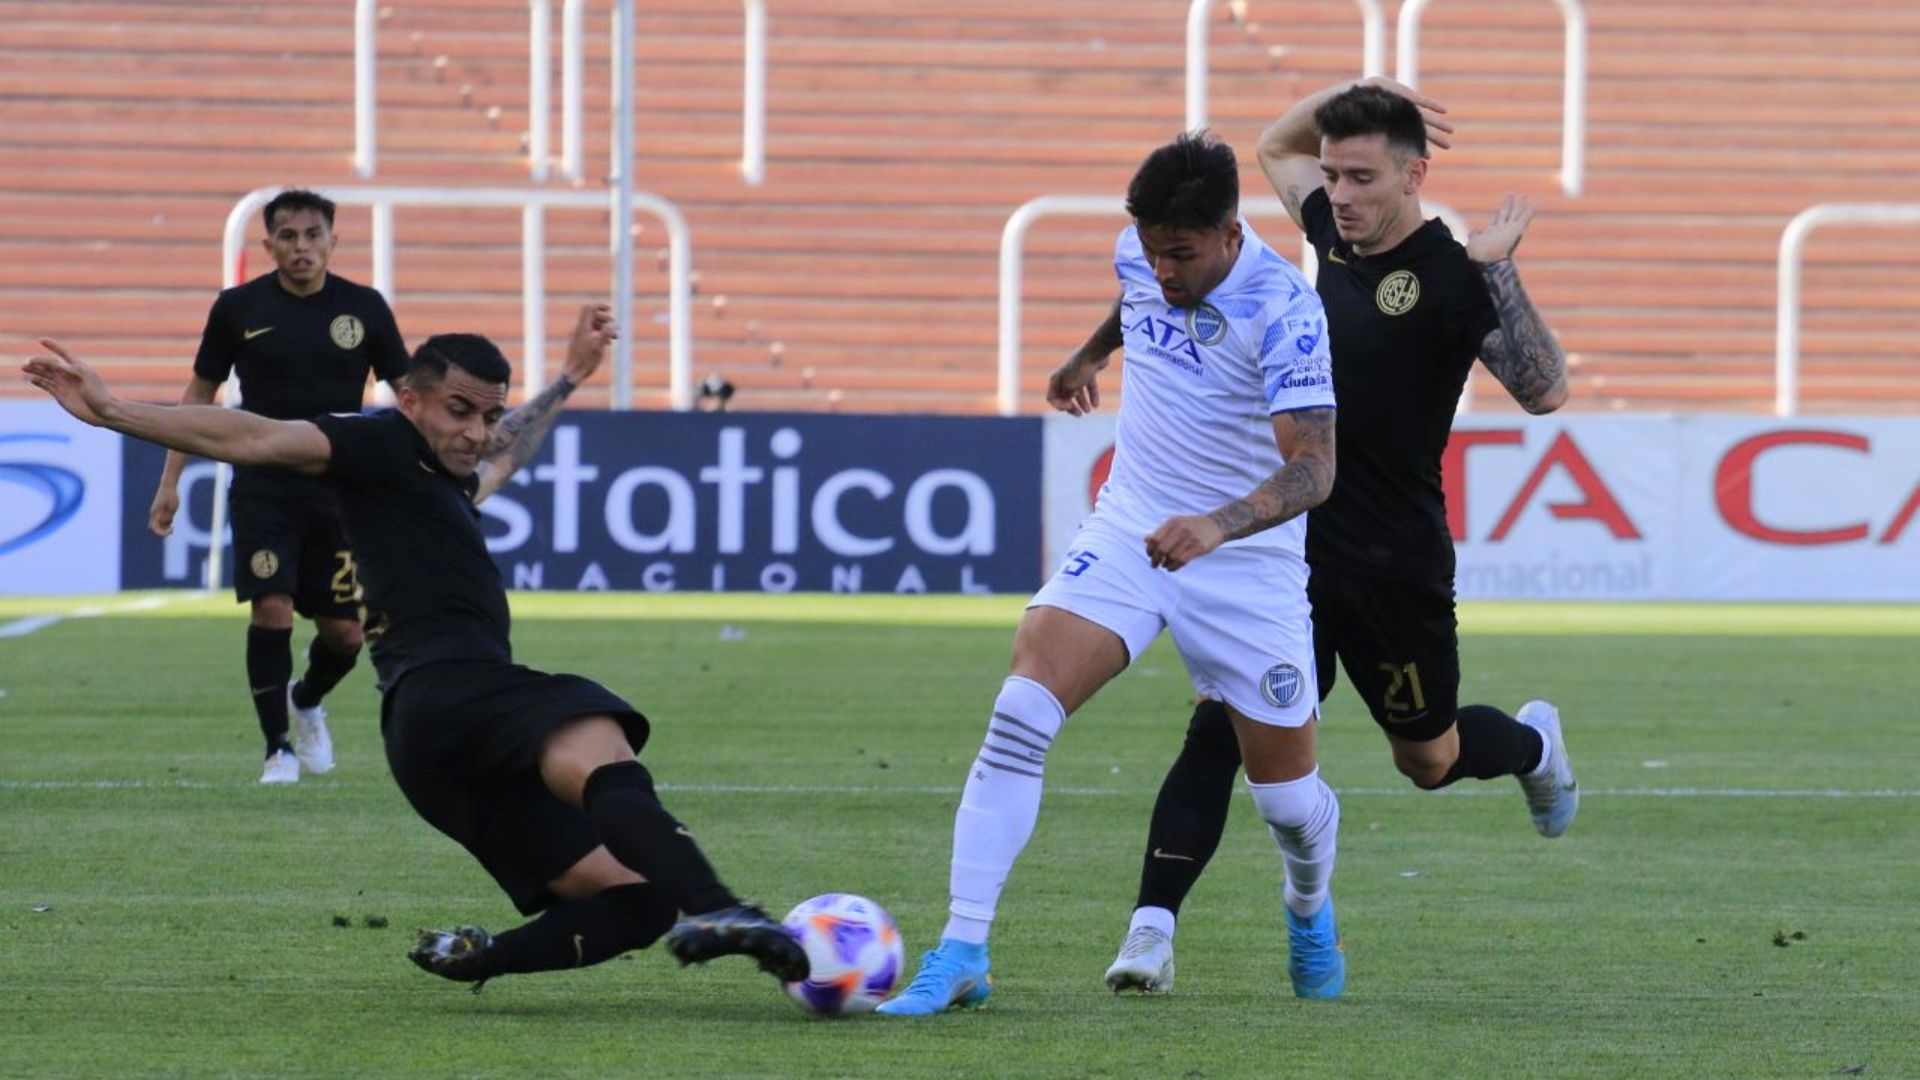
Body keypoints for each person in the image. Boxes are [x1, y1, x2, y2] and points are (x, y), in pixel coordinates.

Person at [23, 305, 808, 992]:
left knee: (637, 901)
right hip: (453, 691)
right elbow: (257, 435)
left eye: (485, 412)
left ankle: (480, 958)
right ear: (408, 399)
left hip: (430, 747)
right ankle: (721, 909)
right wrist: (115, 411)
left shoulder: (439, 476)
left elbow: (506, 452)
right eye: (458, 410)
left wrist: (570, 376)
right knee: (598, 737)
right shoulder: (377, 445)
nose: (474, 430)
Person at [1102, 79, 1577, 997]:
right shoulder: (1329, 232)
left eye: (1361, 178)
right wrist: (1355, 91)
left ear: (1413, 177)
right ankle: (1150, 934)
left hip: (1395, 564)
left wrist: (1498, 270)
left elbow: (1546, 390)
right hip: (1288, 548)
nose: (1341, 195)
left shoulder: (1451, 273)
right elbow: (1274, 144)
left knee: (1429, 760)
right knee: (1221, 731)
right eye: (1335, 176)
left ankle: (1533, 748)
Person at [875, 132, 1342, 1015]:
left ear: (1231, 232)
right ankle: (964, 946)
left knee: (1287, 802)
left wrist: (1217, 524)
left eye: (1183, 253)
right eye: (1154, 249)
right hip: (1132, 526)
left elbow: (1315, 470)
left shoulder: (1284, 308)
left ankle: (1309, 905)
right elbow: (1135, 300)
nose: (1163, 268)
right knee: (1020, 708)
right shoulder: (1139, 252)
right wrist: (1091, 355)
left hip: (1246, 563)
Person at [149, 188, 410, 784]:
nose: (301, 248)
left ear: (332, 241)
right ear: (268, 245)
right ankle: (277, 749)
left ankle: (307, 699)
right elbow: (198, 397)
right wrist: (171, 481)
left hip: (341, 489)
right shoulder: (237, 308)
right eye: (287, 237)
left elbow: (410, 393)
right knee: (272, 609)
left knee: (345, 634)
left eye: (312, 235)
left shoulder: (364, 308)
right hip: (263, 484)